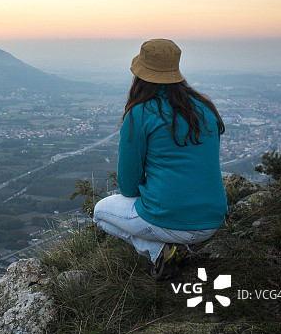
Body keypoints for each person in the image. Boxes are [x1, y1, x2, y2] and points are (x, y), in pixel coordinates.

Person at [93, 38, 228, 279]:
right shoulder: (205, 108)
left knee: (100, 212)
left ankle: (158, 250)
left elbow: (127, 185)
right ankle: (173, 249)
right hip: (212, 220)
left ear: (140, 75)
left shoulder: (140, 113)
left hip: (167, 221)